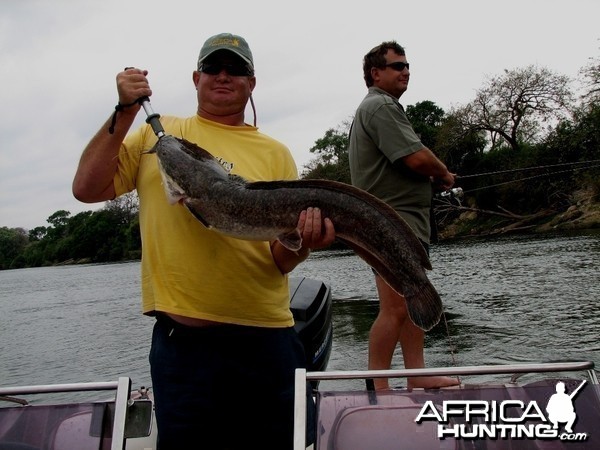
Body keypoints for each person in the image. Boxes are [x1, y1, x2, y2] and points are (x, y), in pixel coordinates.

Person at [72, 33, 335, 449]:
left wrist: (302, 241)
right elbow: (86, 189)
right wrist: (124, 113)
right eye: (213, 68)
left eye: (236, 69)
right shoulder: (157, 137)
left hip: (265, 342)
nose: (223, 76)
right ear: (196, 78)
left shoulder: (275, 153)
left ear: (252, 82)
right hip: (183, 350)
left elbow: (278, 260)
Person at [348, 41, 460, 390]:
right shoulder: (380, 106)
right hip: (389, 225)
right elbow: (416, 158)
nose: (405, 70)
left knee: (413, 297)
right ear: (375, 73)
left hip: (401, 223)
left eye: (407, 65)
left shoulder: (381, 107)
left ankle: (417, 375)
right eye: (397, 66)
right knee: (395, 308)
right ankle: (377, 386)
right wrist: (442, 174)